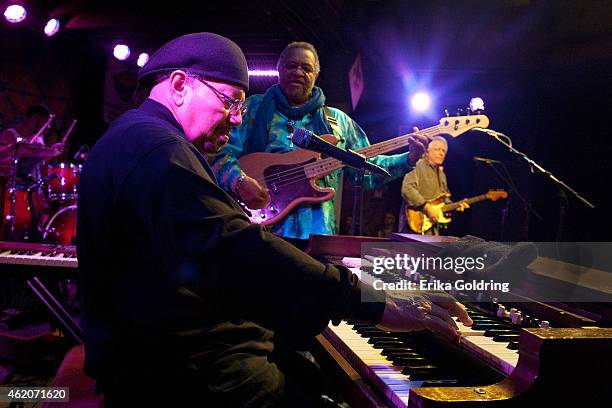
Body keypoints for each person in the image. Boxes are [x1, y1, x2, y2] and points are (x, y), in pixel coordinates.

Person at [77, 32, 472, 407]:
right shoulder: (158, 150)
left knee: (317, 370)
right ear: (180, 85)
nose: (235, 119)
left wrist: (406, 158)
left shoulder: (141, 137)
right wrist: (372, 301)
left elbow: (360, 170)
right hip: (181, 368)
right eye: (229, 102)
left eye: (240, 108)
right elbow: (235, 249)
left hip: (192, 338)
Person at [211, 42, 427, 246]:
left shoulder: (338, 122)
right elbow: (219, 153)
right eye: (291, 66)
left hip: (316, 235)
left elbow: (366, 169)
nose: (298, 72)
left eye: (306, 68)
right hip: (256, 229)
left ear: (316, 75)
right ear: (279, 70)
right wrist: (238, 181)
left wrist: (408, 159)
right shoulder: (253, 108)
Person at [400, 136, 467, 235]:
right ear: (427, 151)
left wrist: (456, 205)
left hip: (431, 226)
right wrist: (426, 206)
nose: (441, 153)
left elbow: (443, 199)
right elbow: (407, 189)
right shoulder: (417, 164)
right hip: (414, 224)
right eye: (437, 149)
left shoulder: (442, 174)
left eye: (443, 151)